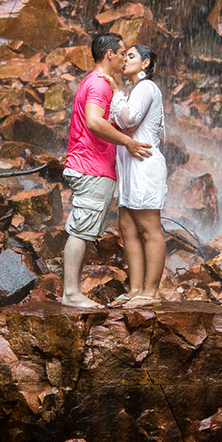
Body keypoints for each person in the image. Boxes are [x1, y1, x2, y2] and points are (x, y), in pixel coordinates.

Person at [60, 32, 152, 308]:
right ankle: (71, 293)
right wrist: (128, 142)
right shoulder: (99, 85)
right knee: (80, 230)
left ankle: (72, 292)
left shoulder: (100, 82)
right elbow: (93, 122)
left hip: (92, 166)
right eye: (123, 52)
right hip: (90, 166)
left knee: (84, 229)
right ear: (109, 54)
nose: (126, 57)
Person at [103, 44, 168, 308]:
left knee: (150, 230)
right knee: (128, 229)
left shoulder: (146, 88)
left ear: (145, 63)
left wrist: (116, 92)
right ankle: (135, 289)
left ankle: (151, 293)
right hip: (130, 169)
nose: (125, 59)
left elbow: (128, 120)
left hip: (145, 165)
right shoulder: (135, 90)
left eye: (131, 56)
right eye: (124, 55)